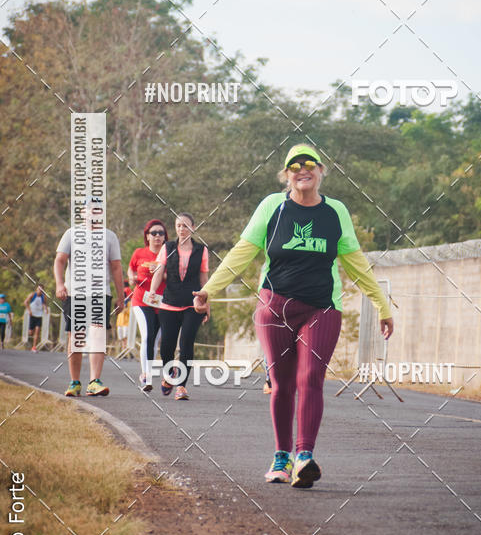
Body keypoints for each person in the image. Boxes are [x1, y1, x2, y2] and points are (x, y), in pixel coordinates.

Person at [193, 144, 394, 489]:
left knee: (310, 378)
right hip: (275, 307)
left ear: (321, 171)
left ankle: (305, 457)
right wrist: (209, 288)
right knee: (283, 385)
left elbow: (355, 263)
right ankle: (282, 456)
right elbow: (243, 253)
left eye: (310, 165)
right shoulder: (274, 207)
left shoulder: (336, 212)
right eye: (294, 166)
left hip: (322, 308)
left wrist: (382, 304)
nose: (303, 170)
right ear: (286, 175)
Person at [54, 205, 124, 397]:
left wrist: (121, 296)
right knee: (76, 336)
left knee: (98, 333)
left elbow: (116, 267)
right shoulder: (71, 233)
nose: (93, 213)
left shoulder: (110, 236)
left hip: (100, 293)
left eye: (98, 210)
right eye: (89, 210)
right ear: (82, 213)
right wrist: (60, 284)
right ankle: (74, 382)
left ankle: (94, 381)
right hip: (75, 293)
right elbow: (60, 260)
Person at [149, 213, 209, 402]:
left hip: (193, 304)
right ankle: (169, 376)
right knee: (166, 345)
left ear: (193, 227)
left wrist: (207, 304)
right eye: (178, 225)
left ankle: (181, 386)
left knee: (186, 344)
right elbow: (159, 272)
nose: (181, 229)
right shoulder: (168, 247)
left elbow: (204, 279)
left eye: (185, 225)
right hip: (169, 303)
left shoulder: (201, 250)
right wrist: (152, 290)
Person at [128, 219, 168, 391]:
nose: (157, 236)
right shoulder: (139, 253)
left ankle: (149, 371)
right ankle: (146, 376)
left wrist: (161, 273)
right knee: (146, 336)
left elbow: (175, 277)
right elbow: (131, 268)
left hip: (162, 302)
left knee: (155, 340)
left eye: (161, 233)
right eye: (154, 233)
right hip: (141, 300)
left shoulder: (170, 254)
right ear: (147, 236)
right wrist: (131, 277)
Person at [24, 285, 48, 351]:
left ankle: (34, 347)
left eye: (41, 290)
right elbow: (26, 302)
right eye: (39, 289)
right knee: (31, 333)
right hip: (32, 315)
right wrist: (29, 310)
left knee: (37, 332)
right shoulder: (32, 295)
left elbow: (45, 304)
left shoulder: (44, 297)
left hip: (39, 316)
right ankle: (31, 332)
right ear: (37, 289)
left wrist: (46, 309)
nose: (40, 291)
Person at [116, 286, 132, 352]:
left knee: (126, 337)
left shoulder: (129, 303)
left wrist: (124, 308)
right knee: (121, 338)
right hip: (119, 323)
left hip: (126, 323)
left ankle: (126, 351)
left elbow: (130, 312)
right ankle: (123, 350)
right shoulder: (119, 302)